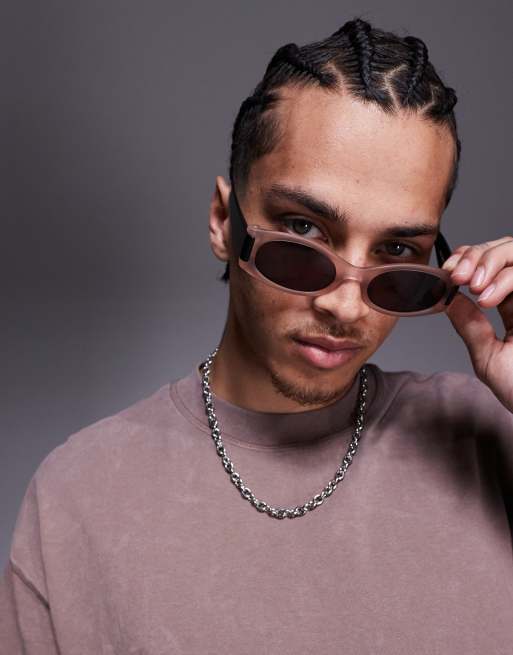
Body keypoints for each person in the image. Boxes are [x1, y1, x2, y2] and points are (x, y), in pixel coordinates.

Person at [1, 16, 512, 654]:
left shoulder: (493, 433)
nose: (345, 306)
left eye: (397, 251)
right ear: (225, 220)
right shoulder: (79, 496)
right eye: (302, 232)